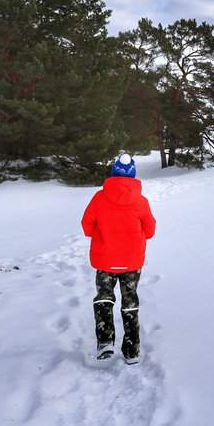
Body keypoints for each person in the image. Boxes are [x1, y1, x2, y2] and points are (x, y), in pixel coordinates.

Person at [81, 153, 156, 364]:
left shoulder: (98, 198)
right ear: (133, 174)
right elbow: (150, 230)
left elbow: (87, 226)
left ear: (113, 172)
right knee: (130, 300)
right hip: (132, 262)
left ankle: (105, 342)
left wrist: (103, 232)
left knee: (104, 297)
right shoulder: (141, 201)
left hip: (105, 260)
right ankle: (132, 351)